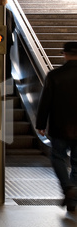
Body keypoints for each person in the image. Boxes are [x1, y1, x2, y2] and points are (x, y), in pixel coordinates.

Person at [36, 42, 77, 212]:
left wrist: (40, 124)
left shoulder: (54, 75)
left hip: (59, 126)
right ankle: (72, 201)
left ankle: (68, 188)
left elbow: (45, 102)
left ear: (64, 54)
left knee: (58, 157)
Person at [0, 0, 16, 80]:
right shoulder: (9, 12)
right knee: (7, 58)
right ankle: (8, 76)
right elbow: (13, 26)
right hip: (8, 39)